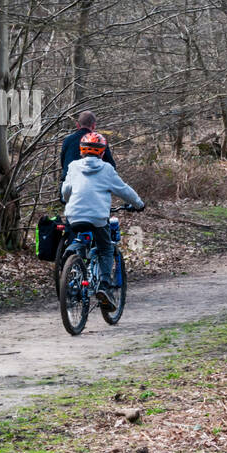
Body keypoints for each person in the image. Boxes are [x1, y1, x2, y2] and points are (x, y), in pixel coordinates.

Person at [60, 132, 144, 307]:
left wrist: (72, 199)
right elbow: (124, 190)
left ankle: (74, 266)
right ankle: (104, 285)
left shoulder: (74, 166)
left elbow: (65, 192)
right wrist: (139, 204)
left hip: (74, 215)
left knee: (78, 238)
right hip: (98, 217)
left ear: (81, 151)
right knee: (106, 249)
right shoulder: (106, 169)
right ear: (102, 152)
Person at [59, 111, 115, 199]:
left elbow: (63, 163)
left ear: (77, 125)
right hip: (92, 188)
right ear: (93, 126)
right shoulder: (99, 142)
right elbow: (112, 166)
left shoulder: (68, 140)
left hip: (68, 187)